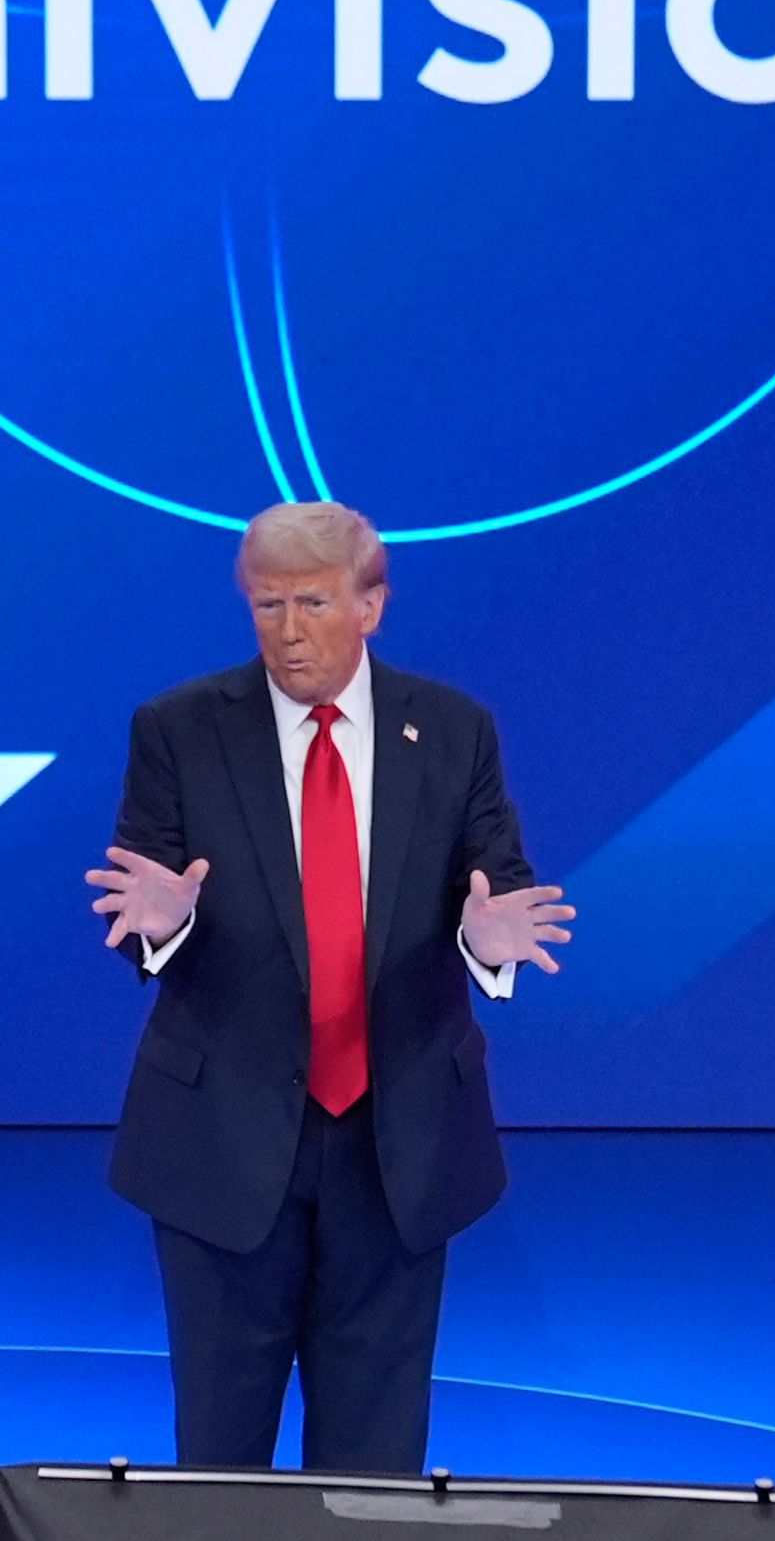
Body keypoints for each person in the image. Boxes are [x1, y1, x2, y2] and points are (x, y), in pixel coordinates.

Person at [85, 503, 574, 1473]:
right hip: (221, 1137)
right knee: (219, 1457)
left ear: (372, 605)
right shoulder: (178, 730)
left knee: (374, 1460)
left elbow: (496, 889)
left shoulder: (451, 730)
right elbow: (147, 914)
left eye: (311, 601)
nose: (288, 629)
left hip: (400, 1144)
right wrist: (164, 925)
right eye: (266, 604)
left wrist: (487, 944)